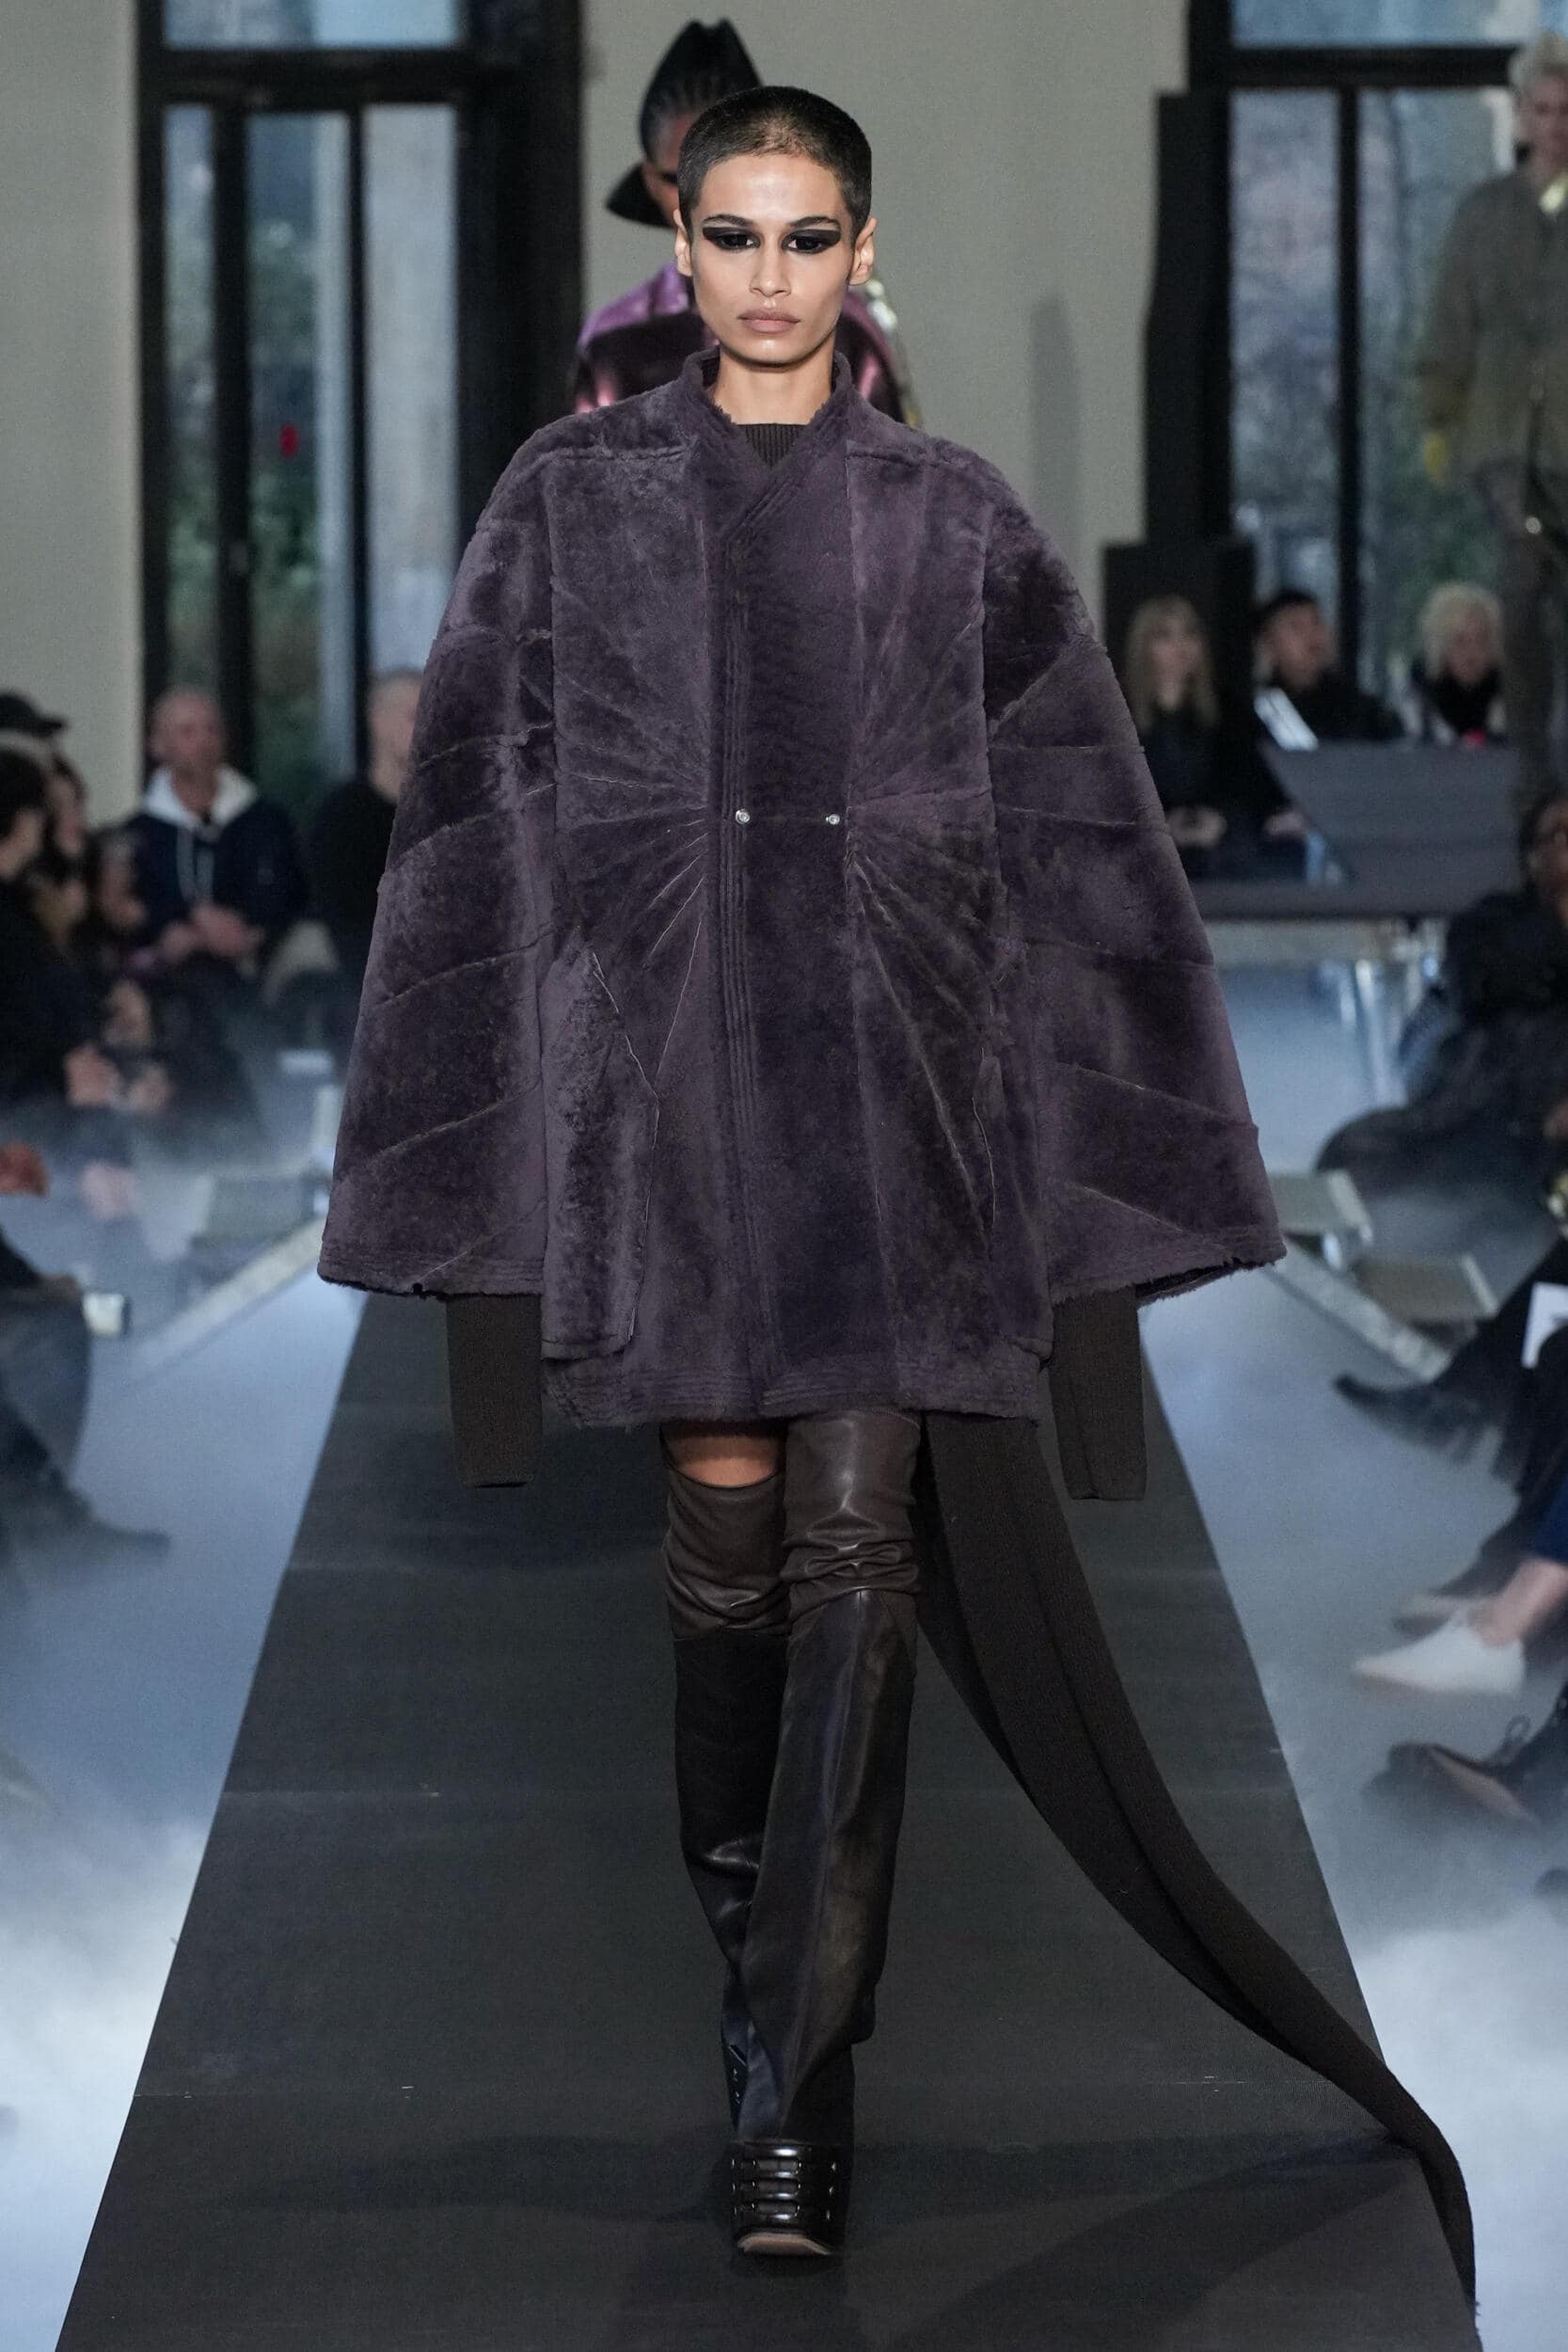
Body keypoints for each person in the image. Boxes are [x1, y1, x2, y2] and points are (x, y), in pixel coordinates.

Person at [317, 87, 1472, 2283]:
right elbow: (464, 835)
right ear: (681, 239)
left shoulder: (957, 521)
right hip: (668, 1122)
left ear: (860, 252)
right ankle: (761, 1987)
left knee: (858, 1563)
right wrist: (454, 1154)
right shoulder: (562, 503)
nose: (768, 275)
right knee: (726, 1573)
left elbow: (1090, 856)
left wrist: (1123, 1155)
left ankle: (793, 2087)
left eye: (807, 234)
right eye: (733, 233)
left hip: (896, 1114)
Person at [572, 19, 915, 421]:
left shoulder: (840, 328)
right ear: (649, 180)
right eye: (678, 179)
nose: (698, 198)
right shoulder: (617, 343)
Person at [1418, 33, 1568, 805]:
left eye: (1565, 110)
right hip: (1505, 440)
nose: (1554, 125)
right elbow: (1450, 323)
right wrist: (1438, 418)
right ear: (1520, 116)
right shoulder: (1483, 215)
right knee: (1523, 587)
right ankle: (1534, 773)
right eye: (1542, 110)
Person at [1315, 788, 1568, 1207]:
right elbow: (1482, 986)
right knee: (1352, 1155)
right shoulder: (1491, 927)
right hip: (1486, 1117)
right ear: (1532, 858)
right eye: (1559, 836)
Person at [127, 689, 308, 982]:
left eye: (212, 730)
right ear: (157, 745)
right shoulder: (138, 834)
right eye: (187, 732)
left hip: (258, 980)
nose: (203, 742)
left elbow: (289, 896)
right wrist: (190, 925)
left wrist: (249, 935)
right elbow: (133, 907)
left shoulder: (266, 822)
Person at [1120, 595, 1306, 876]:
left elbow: (1253, 785)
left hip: (1218, 856)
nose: (1181, 647)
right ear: (1144, 647)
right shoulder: (1115, 715)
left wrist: (1222, 819)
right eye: (1165, 636)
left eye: (1190, 634)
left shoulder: (1229, 712)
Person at [309, 671, 421, 992]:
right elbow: (346, 924)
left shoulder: (458, 810)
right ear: (379, 721)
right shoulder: (342, 817)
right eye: (415, 716)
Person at [1253, 588, 1403, 747]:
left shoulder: (1363, 712)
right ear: (1268, 642)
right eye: (1296, 627)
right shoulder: (1257, 713)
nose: (1312, 636)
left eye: (1316, 623)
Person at [1401, 581, 1508, 746]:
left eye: (1482, 640)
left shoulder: (1510, 695)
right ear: (1439, 645)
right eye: (1460, 641)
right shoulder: (1420, 695)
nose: (1472, 654)